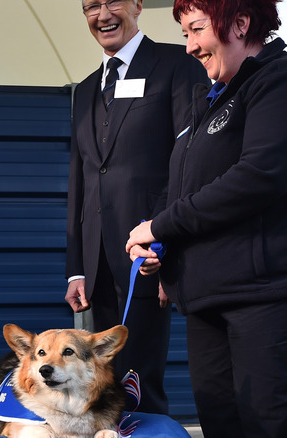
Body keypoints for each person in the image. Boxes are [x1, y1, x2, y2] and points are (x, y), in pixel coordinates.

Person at [125, 0, 287, 436]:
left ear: (240, 23)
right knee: (221, 422)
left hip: (276, 292)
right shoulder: (208, 100)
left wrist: (161, 226)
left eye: (196, 29)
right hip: (210, 297)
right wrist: (157, 245)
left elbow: (259, 177)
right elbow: (185, 188)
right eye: (185, 32)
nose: (188, 46)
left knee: (276, 423)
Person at [65, 0, 208, 414]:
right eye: (92, 6)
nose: (103, 14)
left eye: (113, 2)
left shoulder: (176, 64)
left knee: (141, 381)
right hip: (97, 263)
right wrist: (77, 268)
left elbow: (188, 161)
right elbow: (82, 178)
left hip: (147, 253)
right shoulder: (87, 88)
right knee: (104, 386)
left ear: (137, 6)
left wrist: (167, 241)